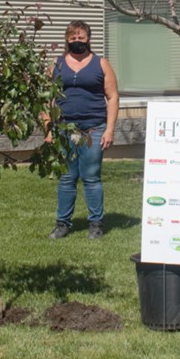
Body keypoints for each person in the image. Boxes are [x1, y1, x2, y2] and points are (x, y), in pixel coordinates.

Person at [45, 20, 119, 240]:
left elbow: (113, 97)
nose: (77, 41)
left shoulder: (101, 64)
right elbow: (47, 100)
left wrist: (110, 130)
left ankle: (96, 224)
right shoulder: (56, 65)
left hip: (94, 129)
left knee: (91, 177)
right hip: (64, 129)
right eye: (72, 38)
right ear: (67, 40)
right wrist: (48, 129)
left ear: (88, 39)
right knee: (66, 177)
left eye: (81, 37)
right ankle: (62, 224)